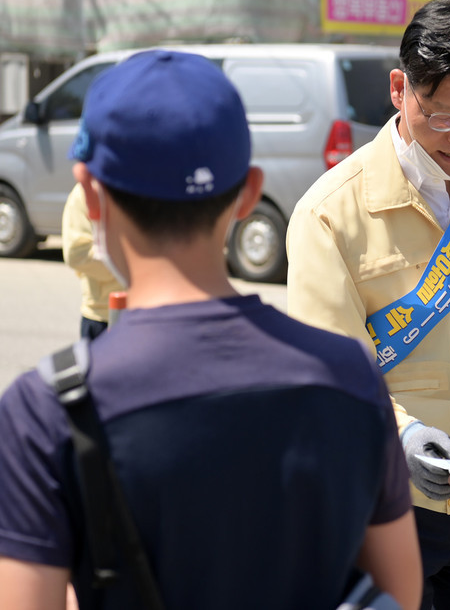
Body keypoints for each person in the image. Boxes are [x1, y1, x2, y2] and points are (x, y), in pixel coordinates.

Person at [0, 50, 421, 610]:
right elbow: (399, 592)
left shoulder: (48, 412)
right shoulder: (349, 375)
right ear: (249, 193)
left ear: (91, 196)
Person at [286, 0, 450, 610]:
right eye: (443, 118)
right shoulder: (330, 213)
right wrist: (400, 437)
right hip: (385, 499)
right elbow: (329, 371)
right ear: (400, 89)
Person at [62, 181, 125, 339]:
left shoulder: (155, 185)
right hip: (103, 315)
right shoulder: (87, 191)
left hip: (154, 314)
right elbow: (77, 253)